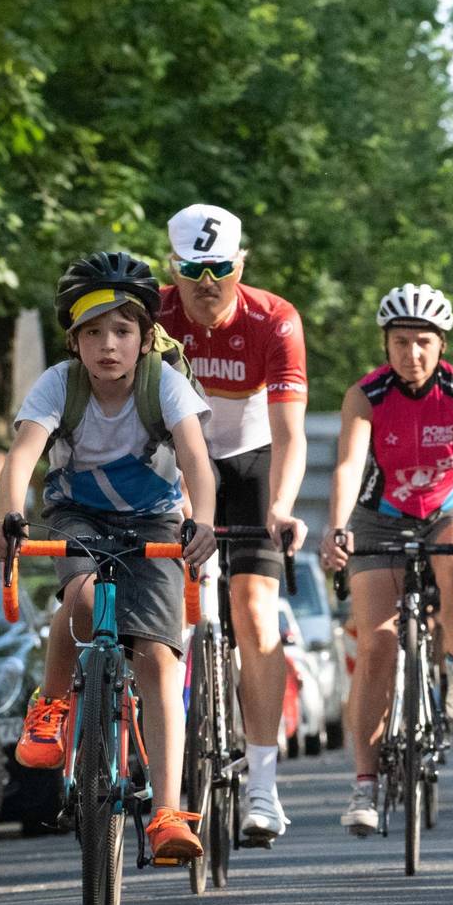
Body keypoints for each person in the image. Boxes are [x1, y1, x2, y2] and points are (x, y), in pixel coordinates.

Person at [0, 252, 218, 864]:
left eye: (122, 331)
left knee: (159, 659)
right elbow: (22, 456)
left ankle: (167, 811)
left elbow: (195, 458)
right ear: (74, 340)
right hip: (76, 517)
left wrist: (203, 519)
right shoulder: (58, 383)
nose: (108, 346)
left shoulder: (164, 383)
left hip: (155, 521)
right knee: (82, 602)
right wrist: (9, 515)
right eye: (93, 333)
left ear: (145, 338)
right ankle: (54, 705)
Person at [319, 285, 453, 835]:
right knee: (376, 643)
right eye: (401, 342)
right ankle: (364, 785)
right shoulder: (366, 395)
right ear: (387, 343)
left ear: (440, 344)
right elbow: (349, 465)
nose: (412, 354)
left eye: (423, 342)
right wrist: (336, 527)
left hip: (449, 504)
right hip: (383, 513)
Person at [155, 203, 308, 845]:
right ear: (174, 269)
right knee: (166, 611)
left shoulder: (274, 320)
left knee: (252, 608)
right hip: (172, 459)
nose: (208, 282)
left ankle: (264, 788)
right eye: (194, 270)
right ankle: (161, 758)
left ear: (240, 265)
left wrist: (282, 506)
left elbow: (290, 433)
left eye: (221, 268)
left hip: (249, 464)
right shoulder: (151, 313)